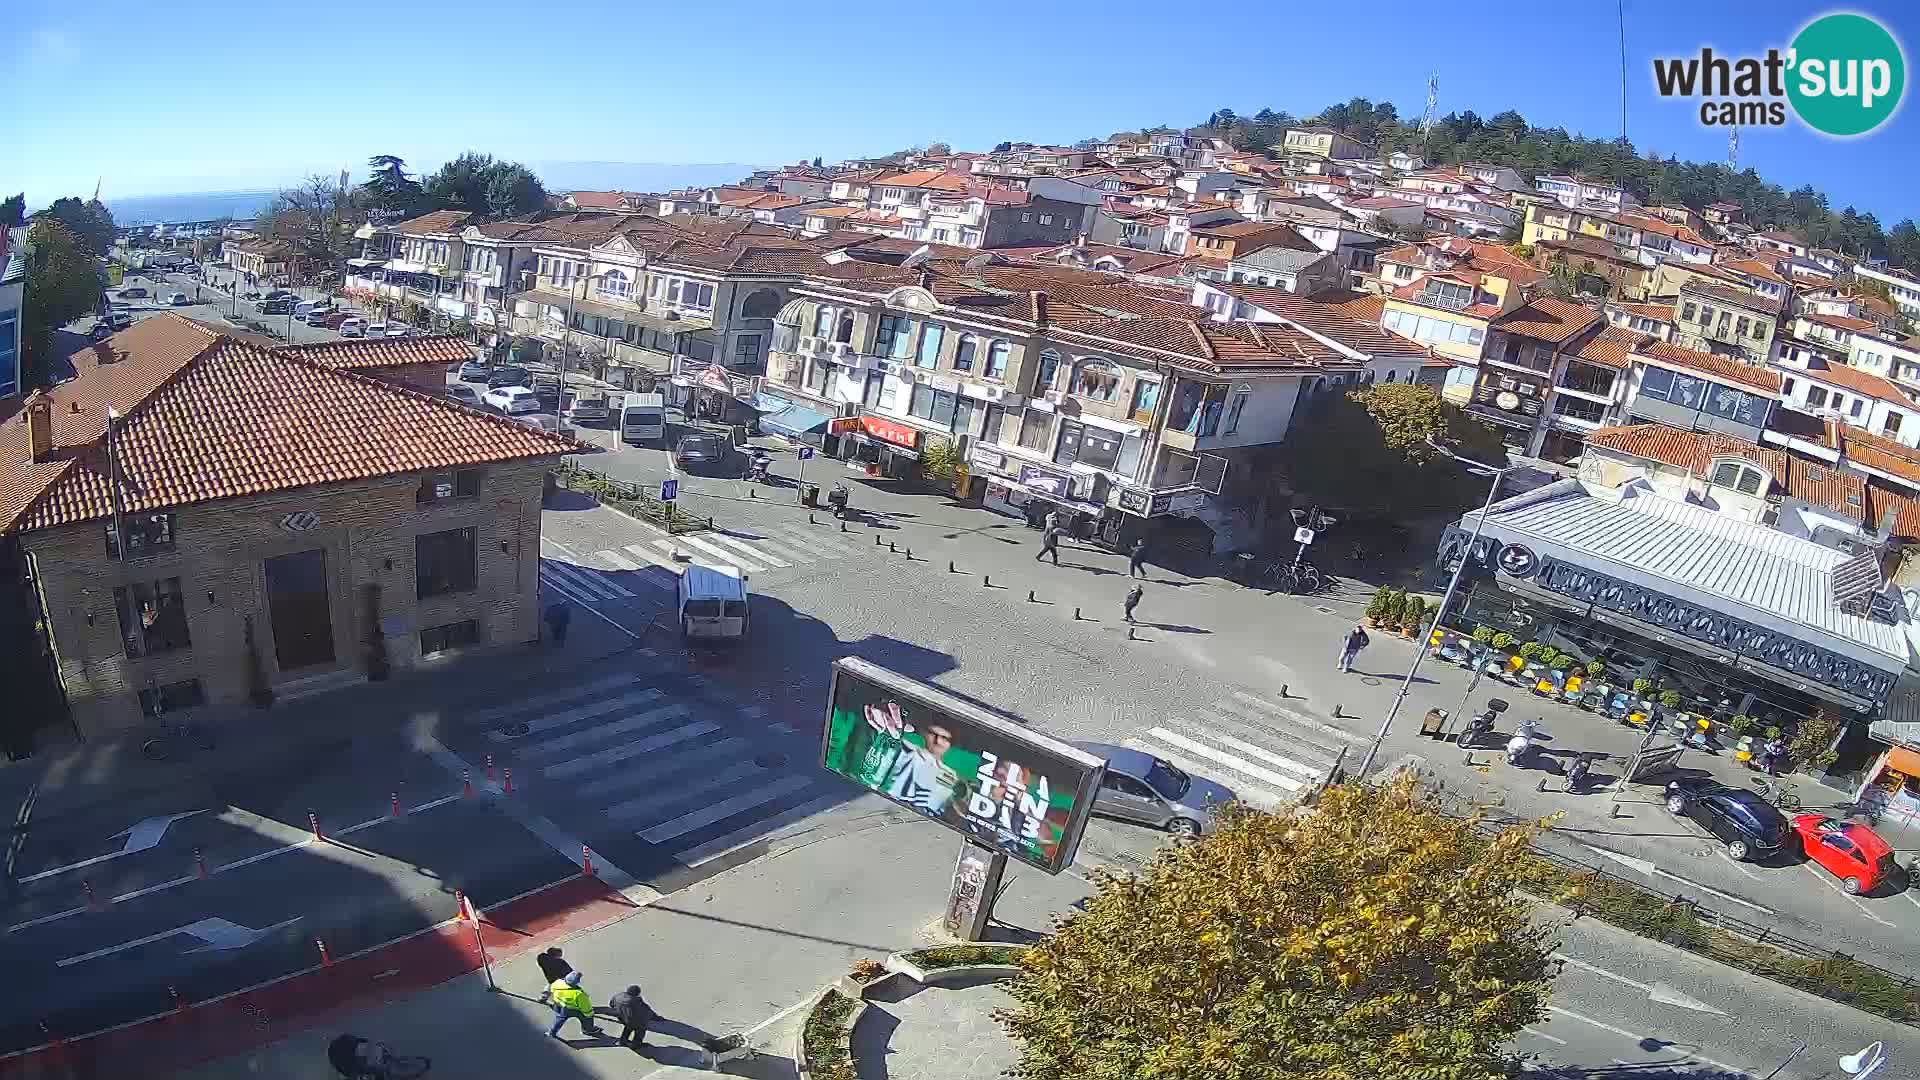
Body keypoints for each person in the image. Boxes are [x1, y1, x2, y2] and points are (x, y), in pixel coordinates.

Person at [547, 970, 602, 1039]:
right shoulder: (579, 994)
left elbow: (551, 990)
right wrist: (589, 1014)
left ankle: (552, 1032)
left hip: (560, 1006)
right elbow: (586, 1008)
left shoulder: (557, 983)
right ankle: (588, 1030)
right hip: (574, 1010)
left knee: (560, 1019)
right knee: (587, 1018)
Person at [608, 983, 656, 1050]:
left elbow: (611, 1004)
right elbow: (646, 1010)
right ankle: (636, 1045)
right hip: (636, 1021)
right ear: (636, 994)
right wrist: (655, 1017)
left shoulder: (618, 996)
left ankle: (622, 1041)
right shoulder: (636, 1000)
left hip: (623, 1018)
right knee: (640, 1031)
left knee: (628, 1028)